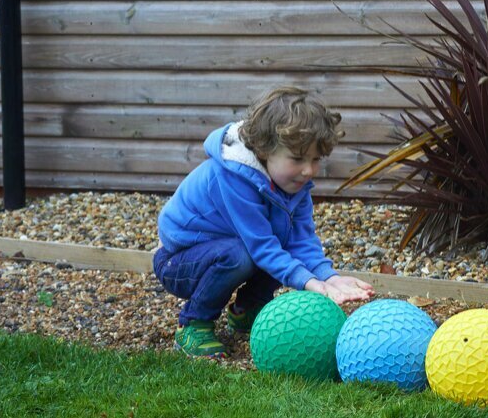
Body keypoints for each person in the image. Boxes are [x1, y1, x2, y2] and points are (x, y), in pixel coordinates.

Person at [153, 86, 374, 357]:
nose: (309, 170)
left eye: (316, 159)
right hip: (180, 263)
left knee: (273, 245)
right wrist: (310, 283)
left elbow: (301, 241)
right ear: (265, 149)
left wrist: (328, 277)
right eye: (298, 159)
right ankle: (193, 323)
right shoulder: (233, 178)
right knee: (241, 255)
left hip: (232, 249)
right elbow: (261, 246)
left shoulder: (294, 184)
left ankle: (246, 311)